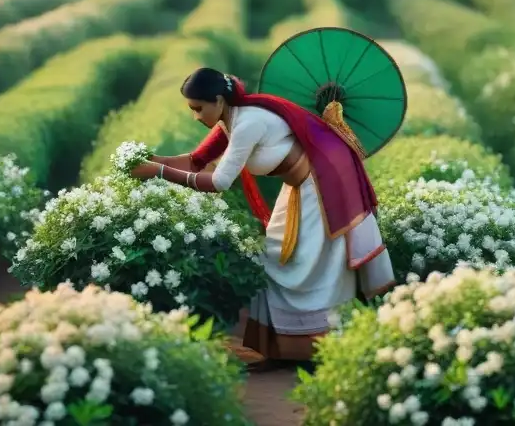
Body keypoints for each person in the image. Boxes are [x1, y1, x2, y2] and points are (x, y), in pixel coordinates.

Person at [129, 67, 396, 368]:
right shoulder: (230, 119)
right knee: (273, 256)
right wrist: (148, 161)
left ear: (218, 100)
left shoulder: (248, 123)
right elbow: (195, 161)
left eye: (198, 108)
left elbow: (217, 182)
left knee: (311, 265)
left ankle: (326, 347)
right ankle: (281, 349)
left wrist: (159, 172)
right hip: (298, 185)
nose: (196, 116)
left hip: (322, 184)